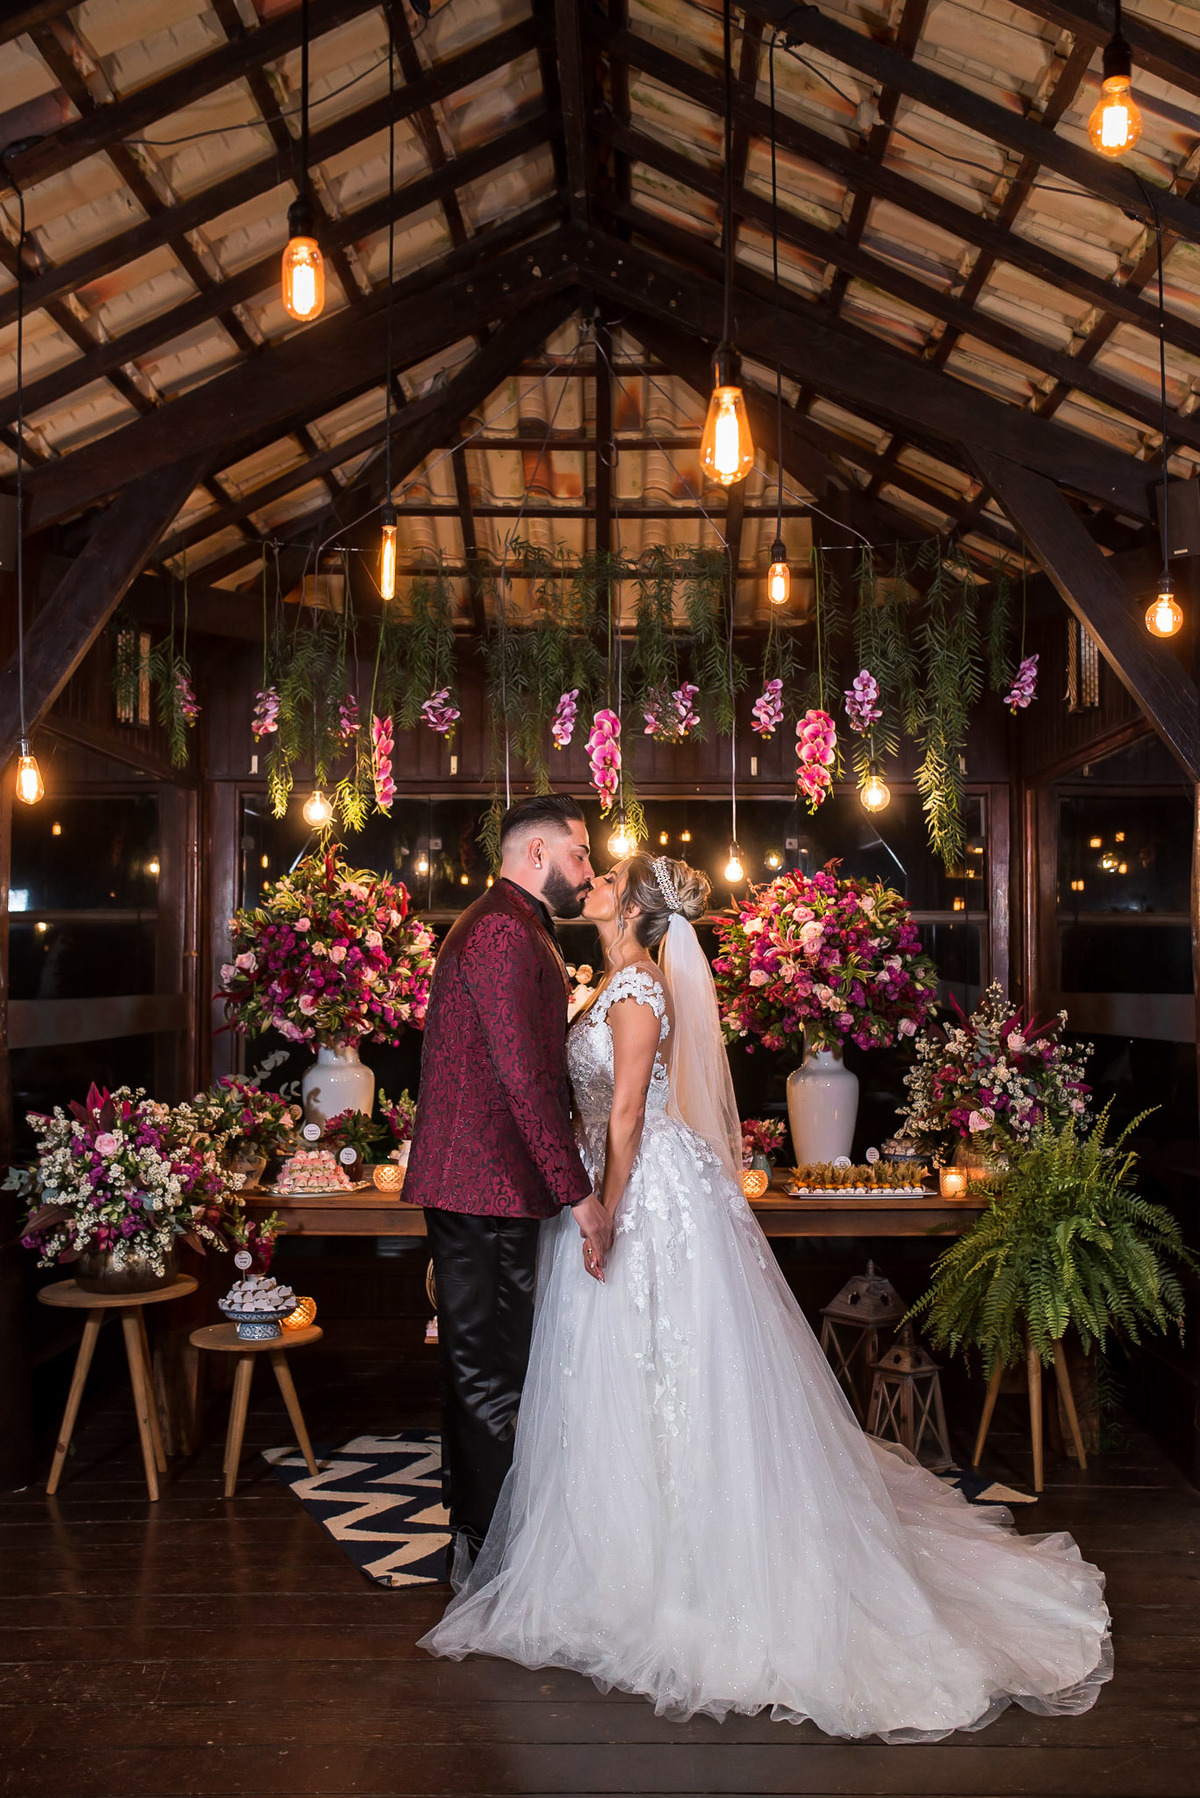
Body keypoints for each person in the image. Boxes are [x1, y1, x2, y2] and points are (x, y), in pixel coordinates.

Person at [419, 852, 1113, 1742]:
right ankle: (619, 1544)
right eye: (585, 867)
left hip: (645, 1191)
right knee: (610, 1375)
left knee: (666, 1362)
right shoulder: (608, 981)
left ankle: (682, 1560)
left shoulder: (635, 993)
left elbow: (627, 1114)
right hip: (612, 1179)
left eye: (604, 877)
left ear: (630, 908)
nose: (588, 880)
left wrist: (606, 1215)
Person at [404, 793, 611, 1569]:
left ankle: (474, 1531)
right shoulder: (500, 931)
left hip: (486, 1181)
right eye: (580, 854)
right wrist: (579, 1194)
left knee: (485, 1367)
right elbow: (525, 1080)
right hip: (483, 1183)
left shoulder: (513, 923)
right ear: (536, 855)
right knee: (488, 1373)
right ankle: (484, 1550)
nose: (586, 870)